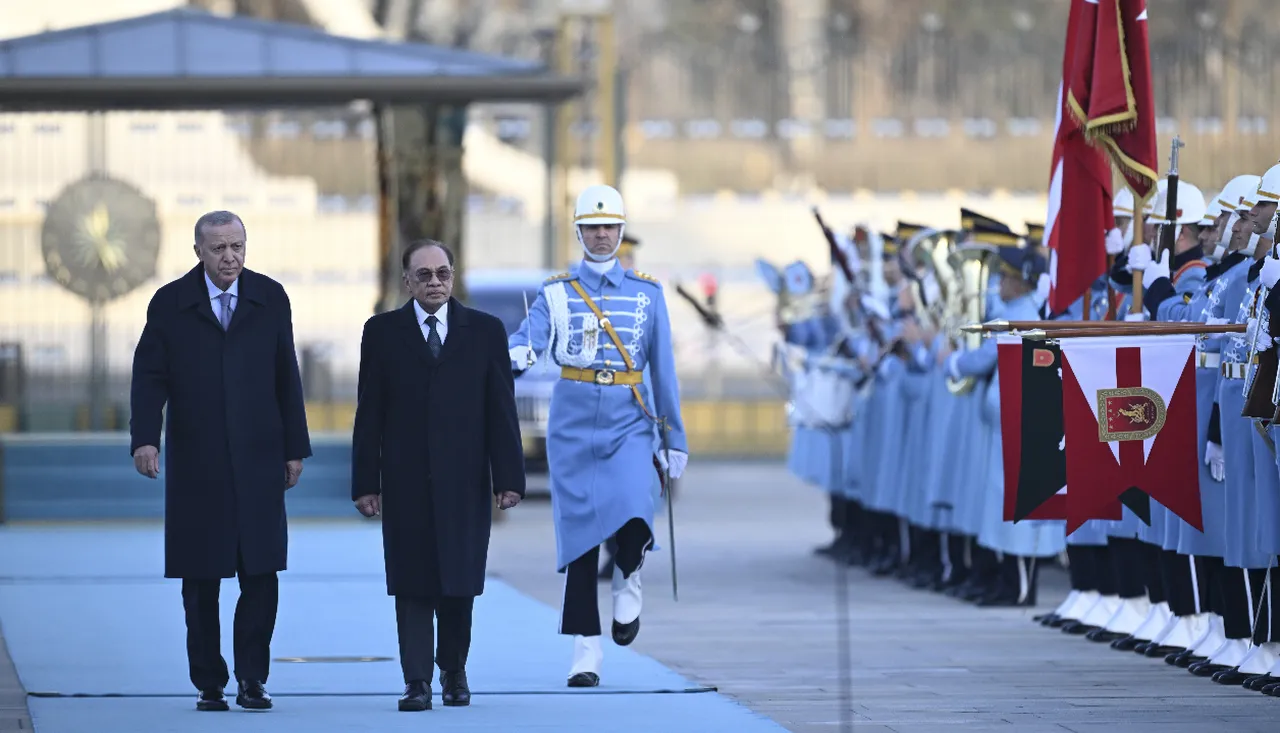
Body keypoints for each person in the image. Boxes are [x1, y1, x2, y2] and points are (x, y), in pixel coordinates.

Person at [129, 210, 311, 712]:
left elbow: (285, 375)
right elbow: (149, 377)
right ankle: (209, 681)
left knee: (261, 572)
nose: (230, 257)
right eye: (219, 249)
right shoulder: (170, 303)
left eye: (238, 247)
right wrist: (146, 438)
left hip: (259, 456)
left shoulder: (270, 297)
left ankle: (253, 678)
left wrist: (294, 447)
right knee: (200, 576)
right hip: (197, 461)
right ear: (198, 252)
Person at [508, 183, 688, 687]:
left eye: (610, 226)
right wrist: (517, 353)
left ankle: (629, 574)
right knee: (581, 541)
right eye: (593, 226)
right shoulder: (557, 291)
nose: (602, 235)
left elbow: (665, 371)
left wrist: (675, 438)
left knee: (634, 507)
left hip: (630, 420)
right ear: (580, 231)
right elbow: (532, 337)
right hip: (572, 423)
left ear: (622, 230)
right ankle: (586, 650)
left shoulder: (648, 294)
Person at [350, 239, 526, 712]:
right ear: (406, 280)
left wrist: (508, 477)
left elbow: (501, 410)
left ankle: (453, 669)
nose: (434, 282)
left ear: (454, 276)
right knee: (411, 583)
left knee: (459, 581)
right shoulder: (382, 333)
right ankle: (416, 681)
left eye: (442, 273)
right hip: (405, 480)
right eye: (423, 275)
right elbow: (369, 413)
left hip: (465, 481)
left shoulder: (485, 331)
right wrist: (366, 482)